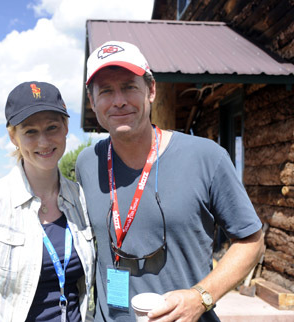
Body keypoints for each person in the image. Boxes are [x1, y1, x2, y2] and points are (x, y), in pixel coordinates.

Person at [75, 41, 264, 322]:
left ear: (151, 90)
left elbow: (252, 241)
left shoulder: (207, 157)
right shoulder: (87, 164)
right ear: (92, 102)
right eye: (105, 91)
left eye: (129, 86)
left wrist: (201, 297)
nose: (118, 101)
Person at [0, 81, 95, 321]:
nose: (43, 142)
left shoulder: (81, 200)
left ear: (65, 127)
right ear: (13, 136)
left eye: (52, 127)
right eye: (30, 131)